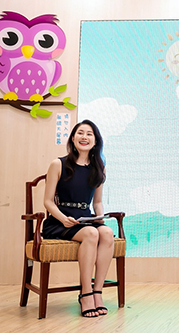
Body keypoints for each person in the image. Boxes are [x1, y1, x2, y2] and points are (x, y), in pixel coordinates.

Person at [41, 120, 114, 318]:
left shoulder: (99, 168)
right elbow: (48, 201)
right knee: (91, 233)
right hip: (59, 221)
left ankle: (97, 292)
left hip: (84, 219)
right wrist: (63, 218)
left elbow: (97, 202)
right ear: (73, 138)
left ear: (95, 141)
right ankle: (86, 293)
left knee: (107, 233)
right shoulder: (58, 164)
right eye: (80, 133)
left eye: (89, 134)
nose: (84, 137)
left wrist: (100, 218)